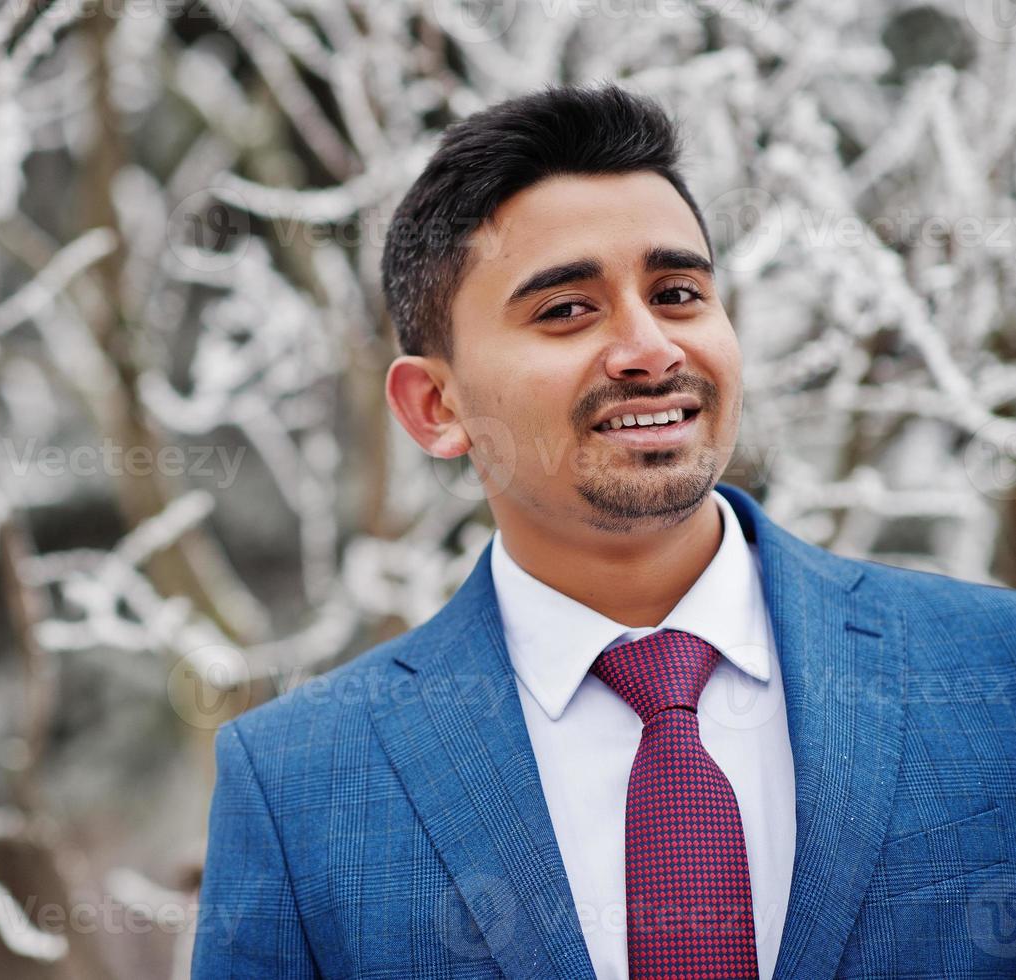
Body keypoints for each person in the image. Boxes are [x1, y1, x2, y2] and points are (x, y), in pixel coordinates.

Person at [190, 83, 1016, 979]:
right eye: (566, 310)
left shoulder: (987, 668)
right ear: (435, 405)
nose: (650, 348)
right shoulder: (300, 782)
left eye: (677, 292)